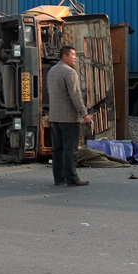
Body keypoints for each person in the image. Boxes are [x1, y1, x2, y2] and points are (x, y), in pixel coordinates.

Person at [46, 46, 93, 187]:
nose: (75, 58)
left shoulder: (51, 71)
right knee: (71, 149)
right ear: (64, 56)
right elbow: (76, 96)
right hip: (69, 118)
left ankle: (59, 178)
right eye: (72, 55)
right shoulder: (70, 72)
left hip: (56, 116)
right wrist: (84, 114)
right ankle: (72, 178)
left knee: (58, 149)